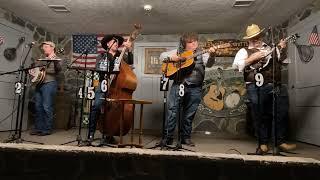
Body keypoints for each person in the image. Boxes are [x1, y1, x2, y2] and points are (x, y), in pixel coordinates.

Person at [232, 24, 296, 154]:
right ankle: (263, 143)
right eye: (253, 38)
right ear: (248, 39)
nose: (256, 39)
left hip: (275, 84)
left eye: (257, 36)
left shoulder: (270, 48)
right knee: (260, 114)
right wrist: (252, 58)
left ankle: (280, 142)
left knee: (281, 113)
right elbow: (235, 66)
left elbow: (282, 61)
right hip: (255, 86)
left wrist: (281, 49)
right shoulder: (244, 51)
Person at [159, 32, 217, 146]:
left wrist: (213, 55)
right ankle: (168, 137)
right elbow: (162, 56)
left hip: (195, 88)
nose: (194, 43)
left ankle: (185, 138)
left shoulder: (203, 53)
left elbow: (209, 64)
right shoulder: (177, 51)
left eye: (195, 41)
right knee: (172, 111)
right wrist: (172, 58)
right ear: (184, 44)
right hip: (178, 84)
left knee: (189, 114)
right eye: (190, 42)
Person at [87, 34, 133, 144]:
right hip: (103, 84)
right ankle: (91, 133)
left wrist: (129, 50)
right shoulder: (102, 55)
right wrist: (113, 62)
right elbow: (98, 68)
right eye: (114, 42)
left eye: (118, 43)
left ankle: (109, 133)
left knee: (114, 111)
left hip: (117, 87)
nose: (116, 44)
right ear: (108, 44)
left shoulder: (121, 55)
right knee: (97, 106)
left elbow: (130, 62)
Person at [29, 41, 62, 136]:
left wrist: (55, 62)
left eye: (46, 46)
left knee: (47, 107)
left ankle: (47, 129)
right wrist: (33, 72)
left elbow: (58, 70)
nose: (44, 48)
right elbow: (37, 69)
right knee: (38, 106)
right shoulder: (42, 58)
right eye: (43, 47)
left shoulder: (57, 58)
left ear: (52, 48)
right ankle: (38, 128)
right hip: (39, 83)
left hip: (49, 84)